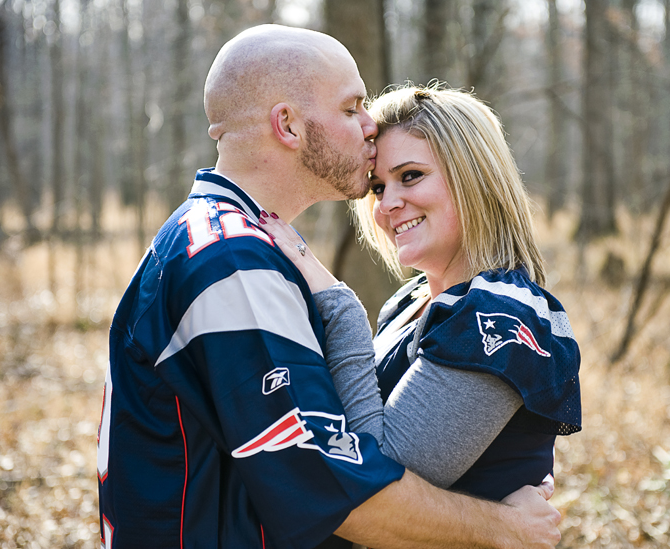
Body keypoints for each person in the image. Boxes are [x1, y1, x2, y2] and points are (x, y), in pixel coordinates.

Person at [96, 25, 562, 549]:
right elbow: (347, 489)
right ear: (288, 125)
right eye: (351, 108)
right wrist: (505, 528)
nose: (369, 126)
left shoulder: (221, 242)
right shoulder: (233, 260)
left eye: (410, 176)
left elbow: (343, 470)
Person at [259, 84, 582, 524]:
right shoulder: (407, 303)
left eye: (410, 175)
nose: (389, 203)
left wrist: (341, 308)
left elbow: (378, 478)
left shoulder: (502, 313)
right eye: (377, 186)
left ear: (474, 177)